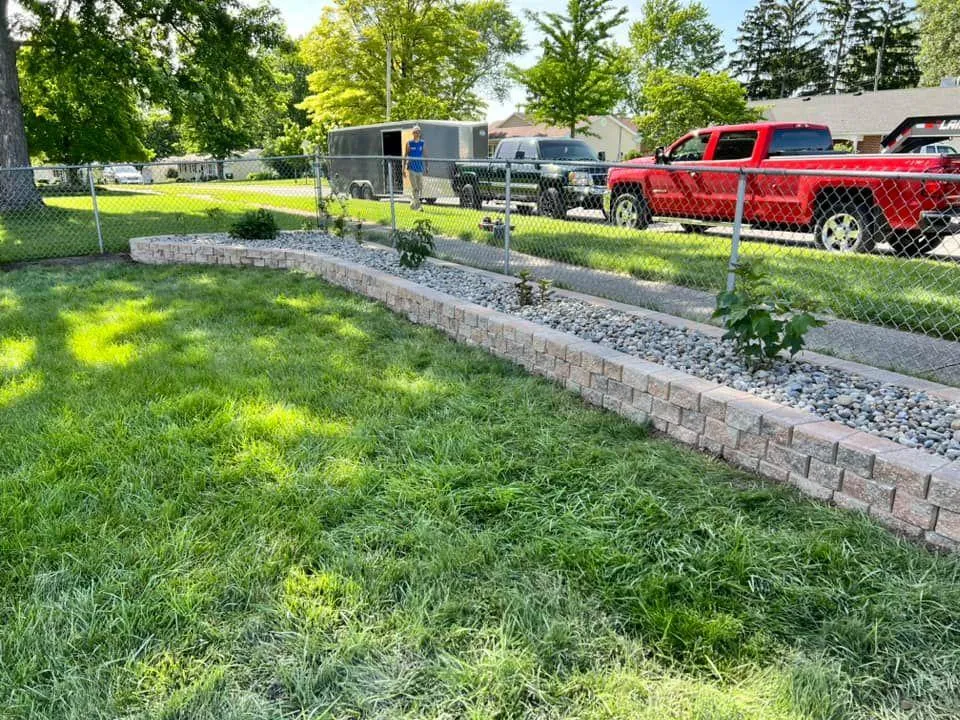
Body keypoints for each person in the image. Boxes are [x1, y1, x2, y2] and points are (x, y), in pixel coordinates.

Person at [403, 125, 426, 211]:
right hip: (411, 168)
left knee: (420, 187)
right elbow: (405, 156)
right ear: (413, 133)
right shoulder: (409, 143)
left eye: (418, 132)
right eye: (415, 132)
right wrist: (403, 169)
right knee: (415, 187)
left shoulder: (422, 143)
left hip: (420, 168)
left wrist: (427, 166)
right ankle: (418, 206)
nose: (417, 133)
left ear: (420, 133)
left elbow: (425, 155)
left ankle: (413, 203)